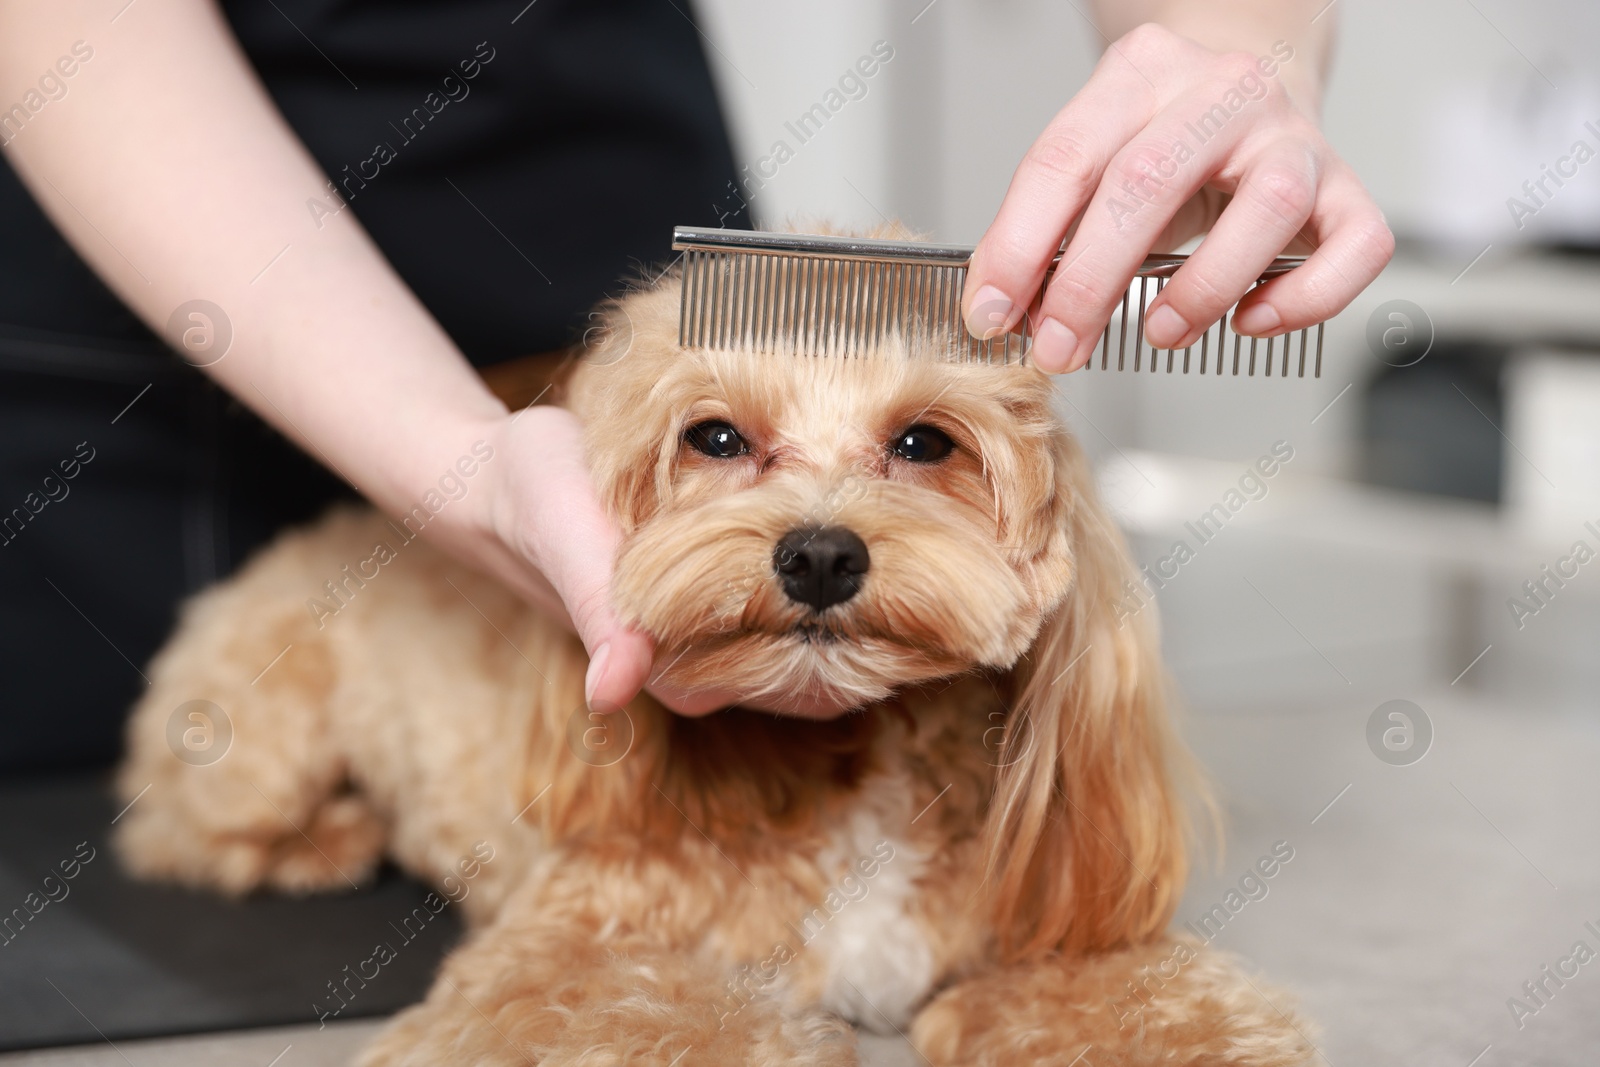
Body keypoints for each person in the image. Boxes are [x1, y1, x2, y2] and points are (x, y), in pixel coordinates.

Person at [0, 0, 1390, 771]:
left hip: (613, 233)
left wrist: (1236, 51)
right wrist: (461, 458)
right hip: (141, 330)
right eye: (731, 437)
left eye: (919, 440)